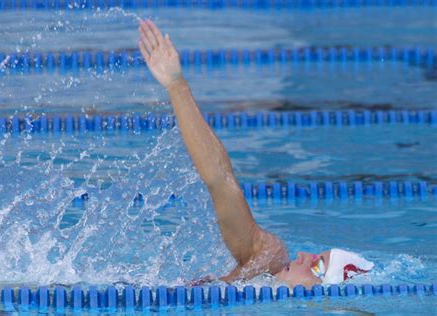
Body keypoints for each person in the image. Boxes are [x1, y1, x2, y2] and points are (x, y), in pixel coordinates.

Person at [138, 19, 374, 288]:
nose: (303, 256)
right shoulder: (266, 258)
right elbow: (221, 179)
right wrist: (177, 86)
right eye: (317, 256)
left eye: (318, 266)